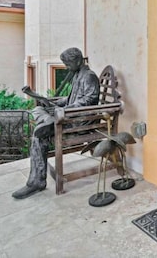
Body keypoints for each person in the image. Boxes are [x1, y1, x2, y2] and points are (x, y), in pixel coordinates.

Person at [12, 47, 100, 199]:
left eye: (67, 64)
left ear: (78, 61)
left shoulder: (89, 76)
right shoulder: (78, 74)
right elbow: (71, 97)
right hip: (68, 115)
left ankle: (36, 182)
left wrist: (65, 109)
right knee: (39, 109)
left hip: (79, 121)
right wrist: (57, 103)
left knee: (38, 136)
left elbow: (89, 100)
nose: (66, 67)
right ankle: (47, 121)